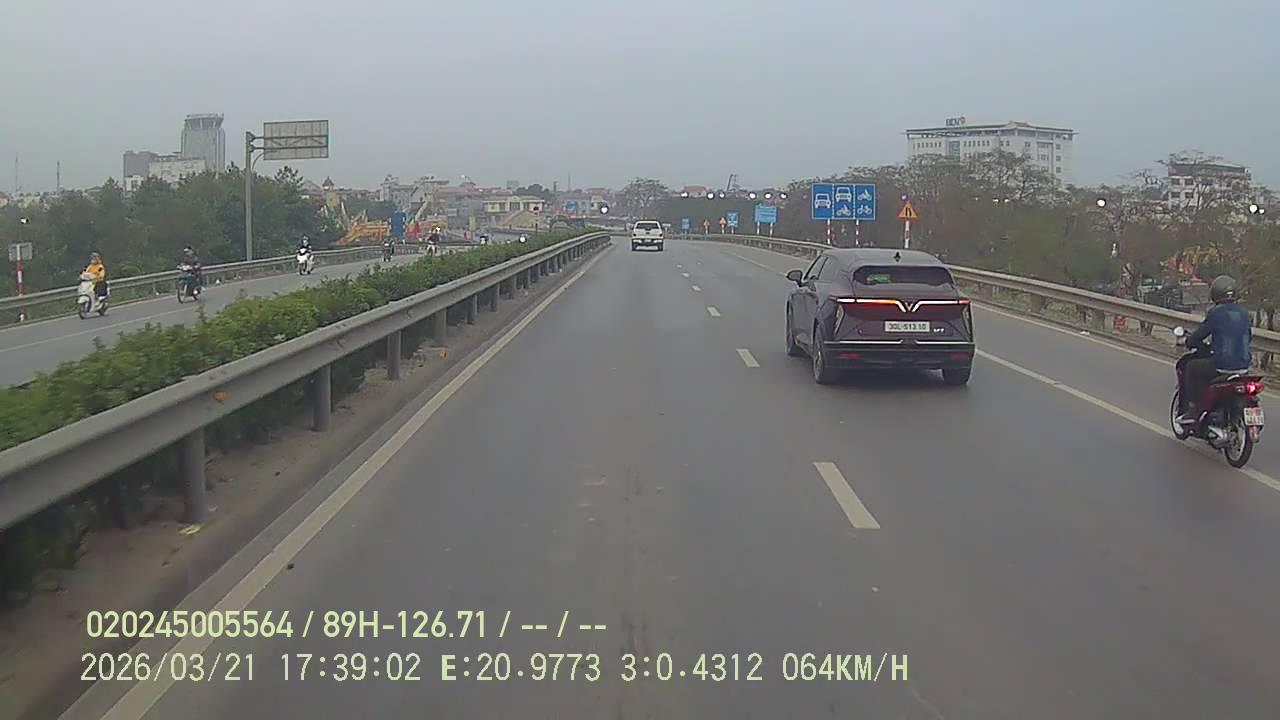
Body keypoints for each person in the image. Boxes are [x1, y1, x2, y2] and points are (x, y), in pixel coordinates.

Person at [1178, 274, 1253, 424]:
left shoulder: (1216, 313)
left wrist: (1187, 341)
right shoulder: (1245, 314)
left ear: (1215, 293)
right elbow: (1248, 337)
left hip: (1222, 366)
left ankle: (1193, 409)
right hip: (1244, 367)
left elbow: (1199, 335)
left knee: (1192, 367)